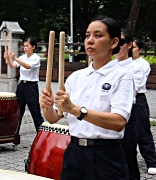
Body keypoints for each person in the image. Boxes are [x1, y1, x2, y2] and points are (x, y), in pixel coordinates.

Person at [39, 15, 134, 180]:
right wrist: (46, 106)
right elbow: (54, 118)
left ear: (114, 42)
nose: (90, 40)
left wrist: (74, 109)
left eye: (98, 35)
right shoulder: (76, 77)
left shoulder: (122, 76)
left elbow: (118, 122)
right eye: (87, 35)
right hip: (74, 151)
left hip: (106, 155)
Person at [115, 29, 147, 180]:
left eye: (120, 42)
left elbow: (133, 92)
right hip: (107, 118)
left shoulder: (135, 67)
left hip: (127, 113)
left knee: (128, 156)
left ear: (129, 46)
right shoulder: (109, 66)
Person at [4, 37, 44, 133]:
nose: (25, 48)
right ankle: (13, 135)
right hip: (21, 86)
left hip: (31, 87)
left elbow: (28, 66)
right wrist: (8, 59)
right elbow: (12, 66)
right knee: (17, 112)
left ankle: (42, 136)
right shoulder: (22, 57)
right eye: (24, 46)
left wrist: (15, 58)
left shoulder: (36, 58)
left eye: (27, 46)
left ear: (33, 47)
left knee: (35, 112)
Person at [132, 38, 156, 175]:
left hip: (138, 99)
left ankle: (151, 161)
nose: (131, 50)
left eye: (134, 48)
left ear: (140, 50)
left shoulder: (142, 64)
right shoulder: (121, 63)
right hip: (122, 99)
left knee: (142, 131)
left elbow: (137, 84)